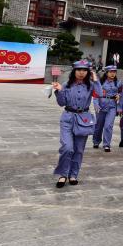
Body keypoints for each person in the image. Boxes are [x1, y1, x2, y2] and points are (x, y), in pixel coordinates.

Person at [52, 60, 102, 188]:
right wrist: (59, 91)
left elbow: (100, 94)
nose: (81, 73)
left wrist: (95, 79)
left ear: (88, 72)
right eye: (79, 70)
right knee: (67, 148)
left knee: (79, 150)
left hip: (83, 119)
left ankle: (73, 174)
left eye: (84, 70)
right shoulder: (66, 85)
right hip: (68, 118)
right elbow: (61, 103)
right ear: (74, 71)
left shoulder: (90, 85)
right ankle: (63, 174)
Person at [93, 65, 120, 152]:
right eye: (111, 72)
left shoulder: (118, 83)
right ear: (106, 73)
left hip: (112, 106)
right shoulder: (100, 83)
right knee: (99, 126)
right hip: (101, 105)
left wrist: (119, 95)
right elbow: (95, 95)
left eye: (114, 72)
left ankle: (106, 144)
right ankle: (96, 141)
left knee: (108, 126)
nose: (113, 74)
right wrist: (96, 104)